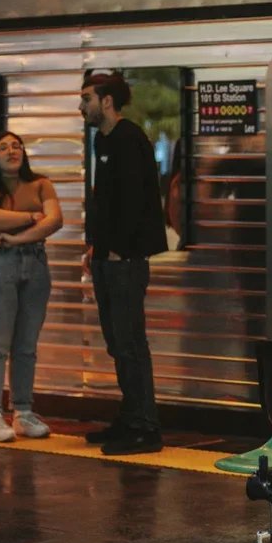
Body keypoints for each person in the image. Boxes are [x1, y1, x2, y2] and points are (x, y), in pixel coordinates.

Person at [79, 70, 168, 455]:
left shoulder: (130, 139)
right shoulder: (104, 139)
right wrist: (96, 248)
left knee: (130, 342)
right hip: (106, 256)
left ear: (107, 101)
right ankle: (130, 416)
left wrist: (118, 249)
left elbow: (135, 202)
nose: (81, 106)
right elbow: (106, 203)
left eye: (86, 99)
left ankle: (145, 427)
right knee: (117, 342)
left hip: (125, 261)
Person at [0, 131, 63, 442]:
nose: (12, 151)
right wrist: (31, 217)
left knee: (26, 345)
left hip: (35, 264)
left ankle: (23, 412)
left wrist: (18, 237)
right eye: (3, 147)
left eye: (17, 145)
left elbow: (56, 220)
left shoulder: (41, 183)